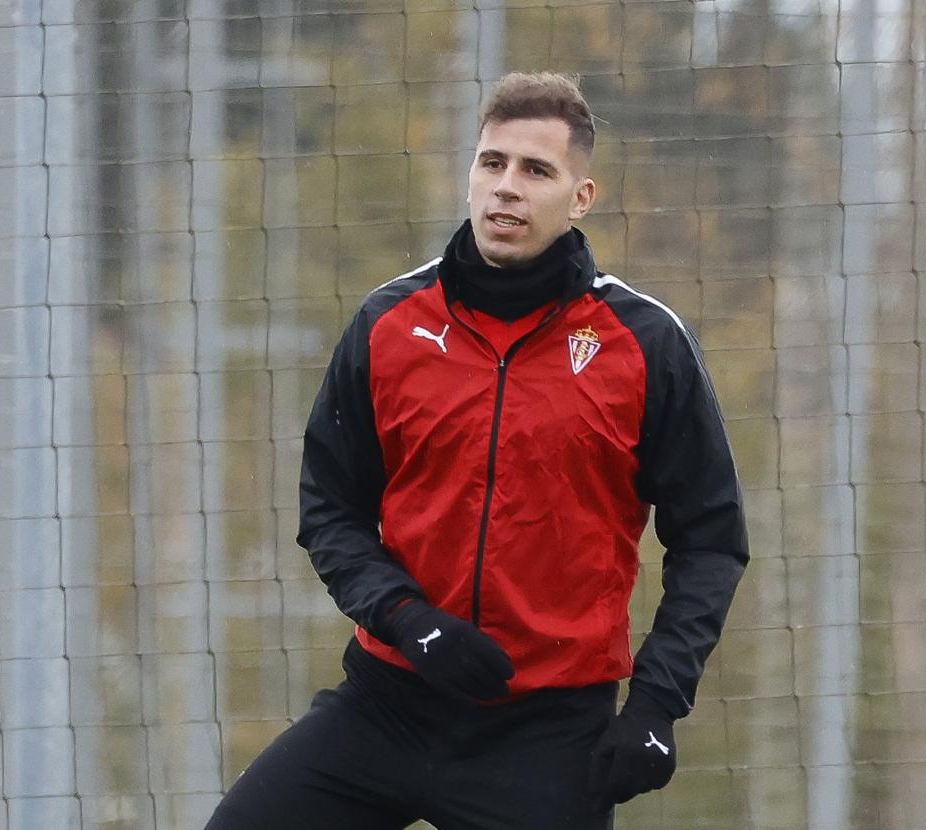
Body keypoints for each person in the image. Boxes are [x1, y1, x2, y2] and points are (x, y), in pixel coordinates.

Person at [206, 71, 748, 830]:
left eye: (535, 170)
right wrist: (405, 617)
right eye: (492, 163)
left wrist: (657, 702)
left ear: (580, 196)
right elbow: (330, 510)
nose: (506, 188)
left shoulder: (646, 343)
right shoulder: (387, 323)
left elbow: (712, 541)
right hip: (386, 703)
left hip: (549, 735)